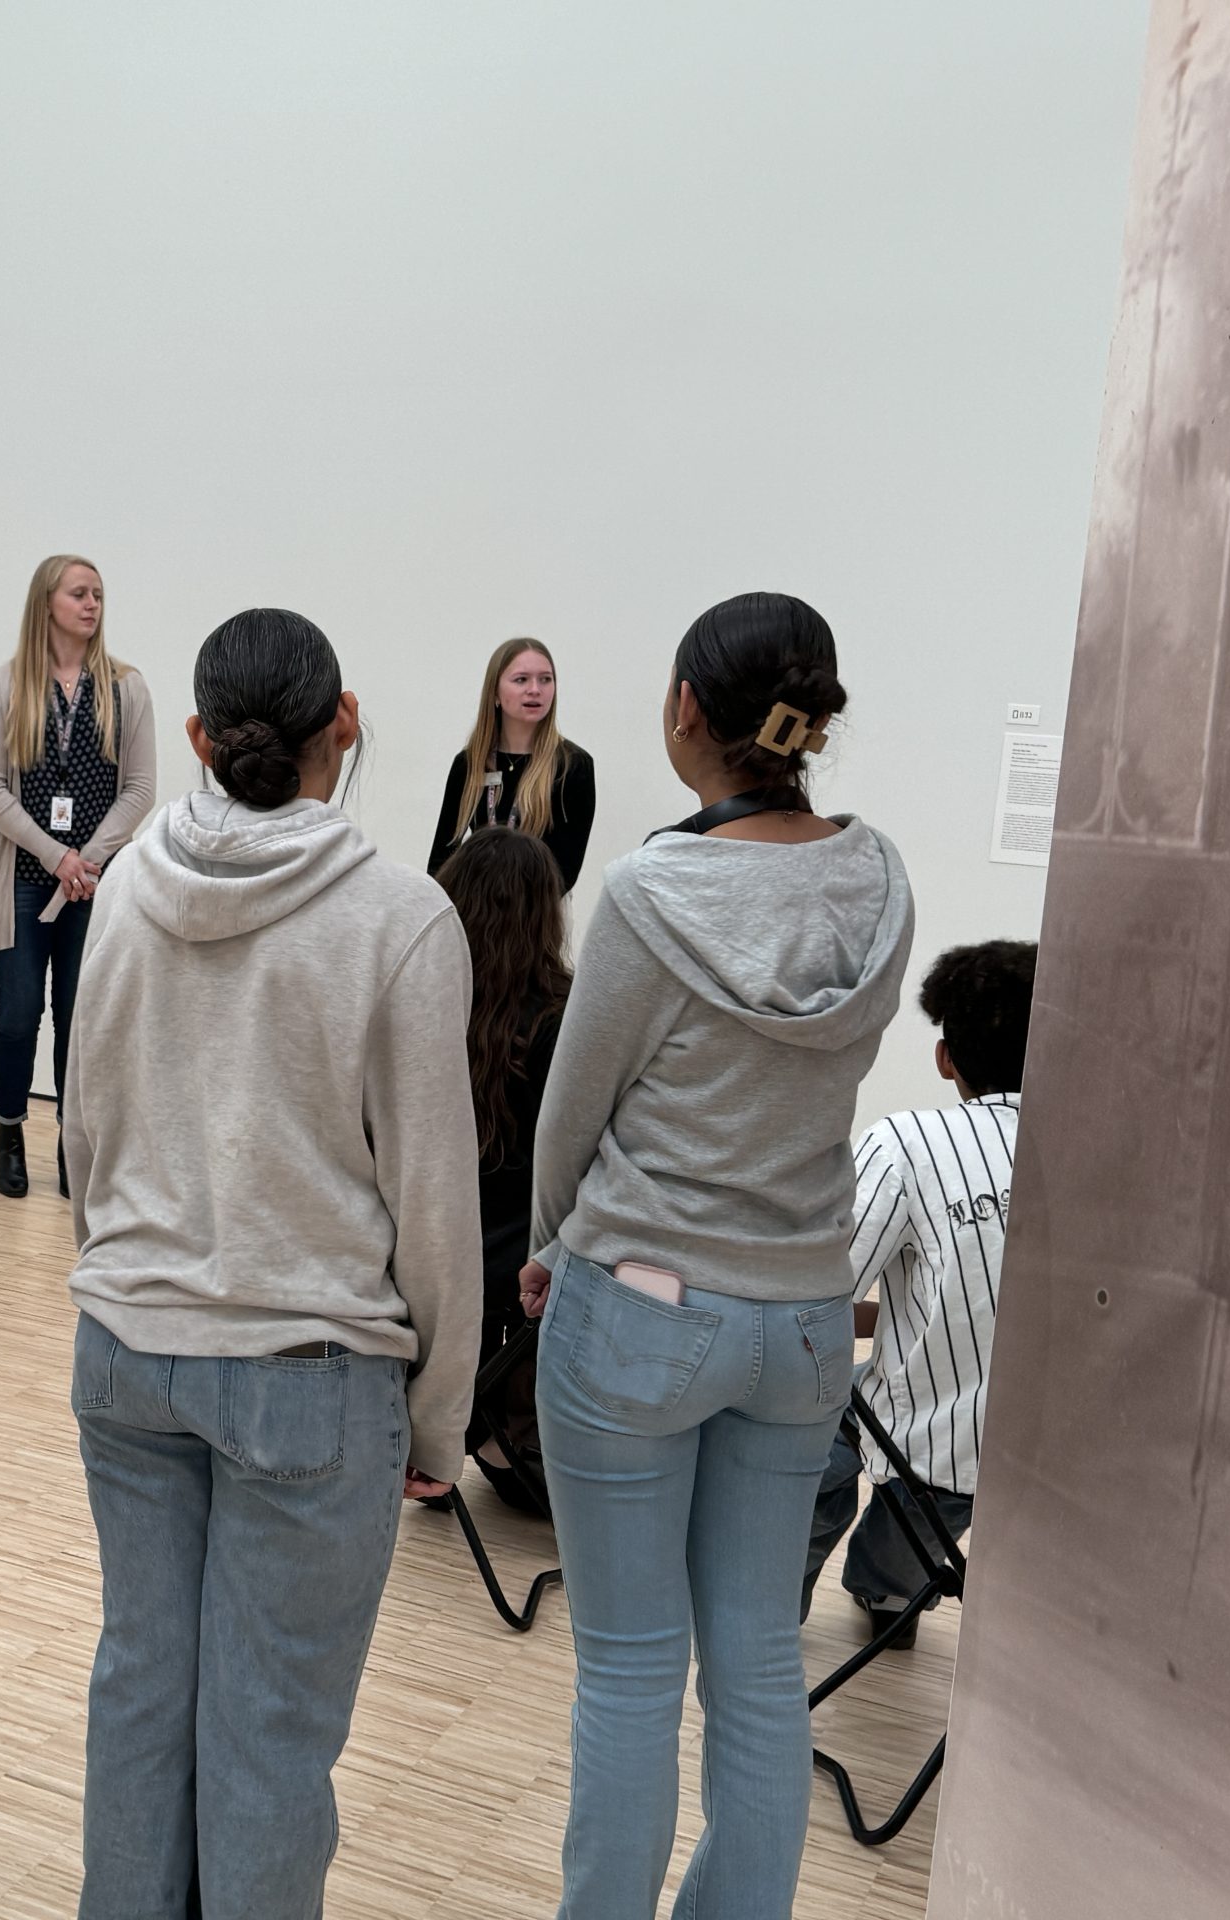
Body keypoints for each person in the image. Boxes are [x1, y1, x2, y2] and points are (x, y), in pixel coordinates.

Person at [62, 608, 482, 1918]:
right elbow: (434, 1199)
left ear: (196, 736)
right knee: (270, 1733)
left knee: (143, 1694)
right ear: (342, 721)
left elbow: (84, 1126)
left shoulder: (124, 885)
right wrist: (440, 1418)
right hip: (311, 1372)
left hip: (127, 1347)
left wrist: (125, 1282)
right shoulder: (402, 917)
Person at [521, 590, 913, 1920]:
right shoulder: (879, 880)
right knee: (755, 1666)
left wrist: (548, 1242)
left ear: (687, 708)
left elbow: (572, 1110)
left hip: (640, 1306)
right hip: (803, 1317)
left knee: (630, 1671)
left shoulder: (651, 893)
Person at [804, 938, 1034, 1644]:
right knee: (926, 1504)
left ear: (944, 1058)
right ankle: (891, 1595)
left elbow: (819, 1291)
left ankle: (773, 1600)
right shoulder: (1102, 1159)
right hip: (1021, 1457)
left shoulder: (907, 1144)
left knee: (814, 1423)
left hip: (914, 1429)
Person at [0, 553, 157, 1200]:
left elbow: (140, 789)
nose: (92, 605)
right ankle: (9, 1132)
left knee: (79, 1020)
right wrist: (57, 856)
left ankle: (71, 1139)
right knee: (18, 1016)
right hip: (24, 882)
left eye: (98, 594)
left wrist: (88, 861)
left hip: (94, 888)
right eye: (79, 593)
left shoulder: (126, 688)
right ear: (46, 602)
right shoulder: (5, 687)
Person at [436, 825, 572, 1516]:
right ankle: (497, 1429)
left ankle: (453, 1426)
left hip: (427, 1253)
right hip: (523, 1267)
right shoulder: (563, 1016)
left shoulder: (423, 1000)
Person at [429, 637, 596, 890]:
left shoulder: (573, 766)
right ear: (495, 692)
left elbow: (565, 871)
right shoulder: (469, 764)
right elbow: (441, 859)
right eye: (521, 680)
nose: (535, 689)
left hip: (540, 907)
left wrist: (511, 906)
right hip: (475, 904)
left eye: (545, 679)